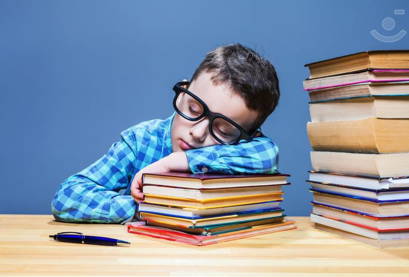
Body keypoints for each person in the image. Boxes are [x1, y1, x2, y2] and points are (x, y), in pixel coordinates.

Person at [51, 43, 281, 224]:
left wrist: (181, 160)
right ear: (183, 92)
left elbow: (268, 153)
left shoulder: (249, 151)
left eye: (223, 129)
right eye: (194, 108)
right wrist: (155, 209)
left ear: (249, 134)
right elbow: (69, 196)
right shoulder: (141, 140)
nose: (198, 133)